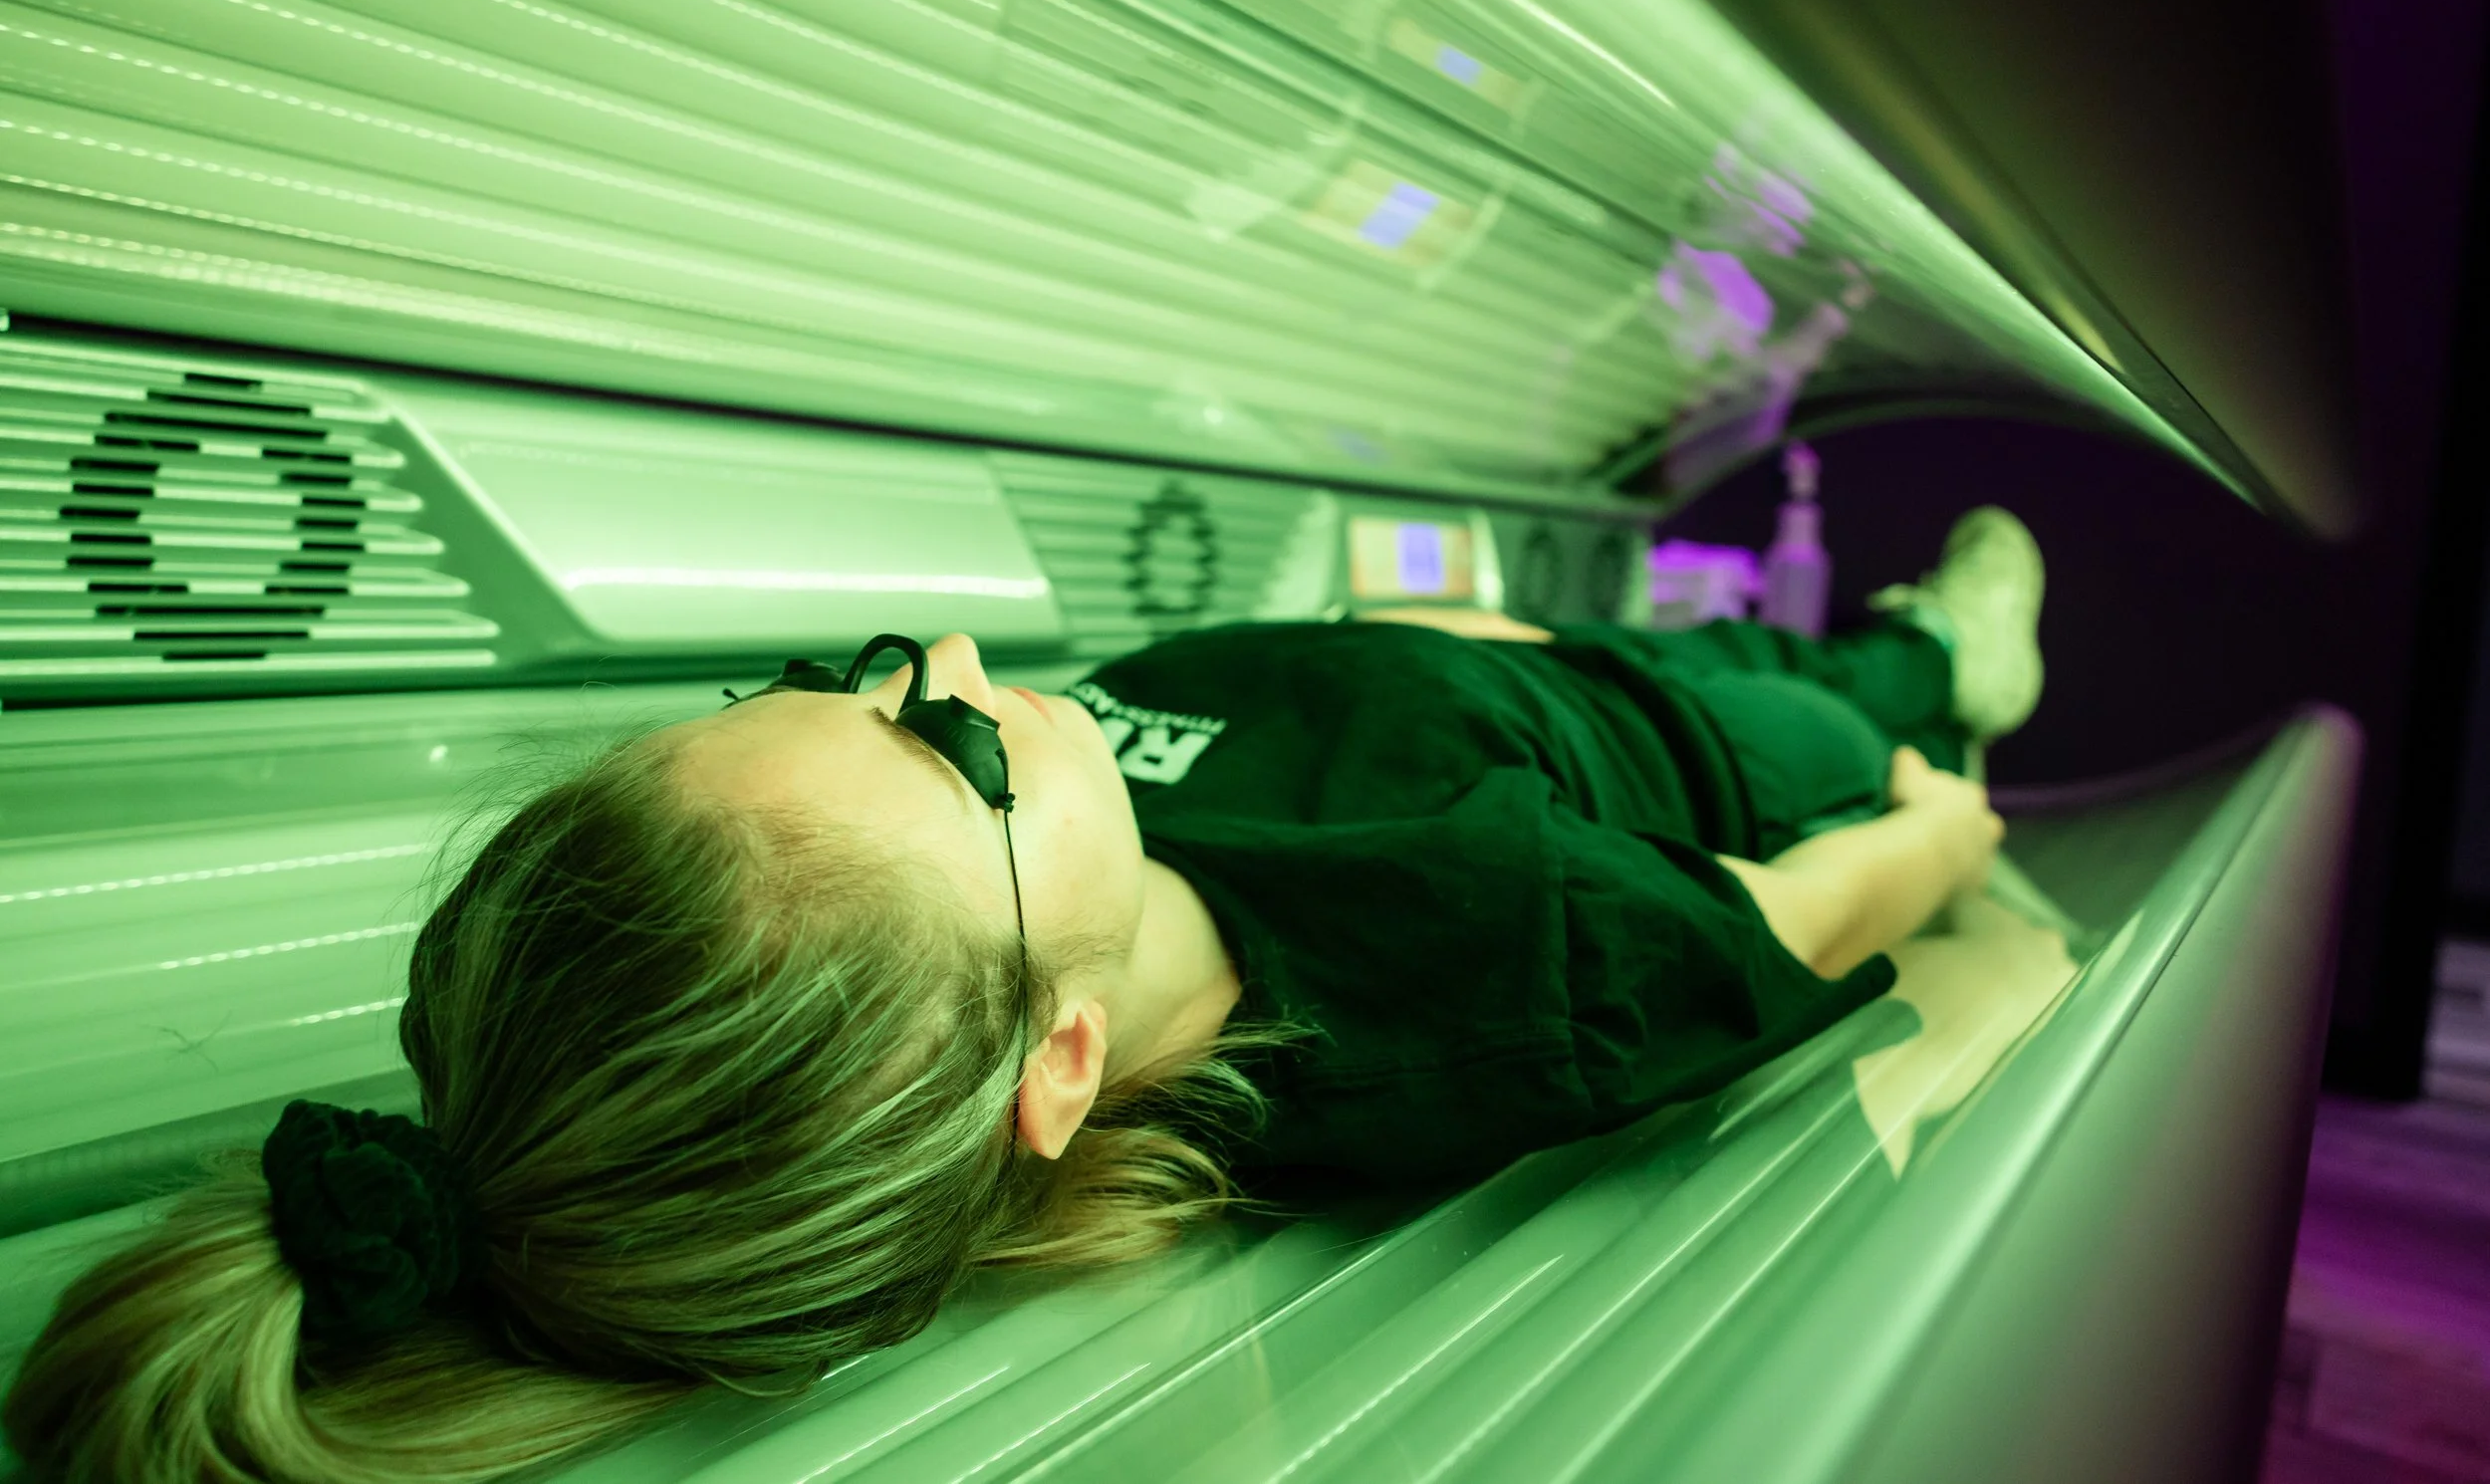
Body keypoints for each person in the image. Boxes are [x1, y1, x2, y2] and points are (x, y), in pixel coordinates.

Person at [1, 506, 2045, 1484]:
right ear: (1061, 1059)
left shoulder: (1074, 839)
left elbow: (1292, 687)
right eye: (951, 746)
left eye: (840, 673)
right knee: (1859, 685)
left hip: (1501, 658)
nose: (960, 655)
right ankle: (1941, 656)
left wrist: (1439, 625)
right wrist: (1940, 829)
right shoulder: (1480, 983)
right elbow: (1789, 914)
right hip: (1710, 744)